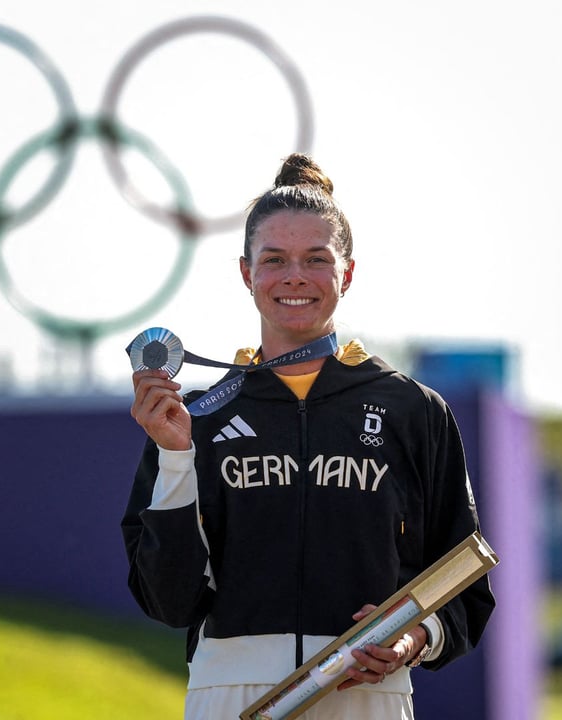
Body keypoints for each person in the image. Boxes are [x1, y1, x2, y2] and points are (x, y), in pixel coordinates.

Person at [122, 153, 495, 719]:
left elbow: (464, 581)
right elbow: (168, 600)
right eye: (274, 260)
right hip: (231, 695)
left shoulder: (413, 411)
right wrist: (176, 458)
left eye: (315, 260)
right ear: (247, 273)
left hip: (366, 693)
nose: (294, 276)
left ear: (346, 273)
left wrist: (411, 640)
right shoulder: (193, 419)